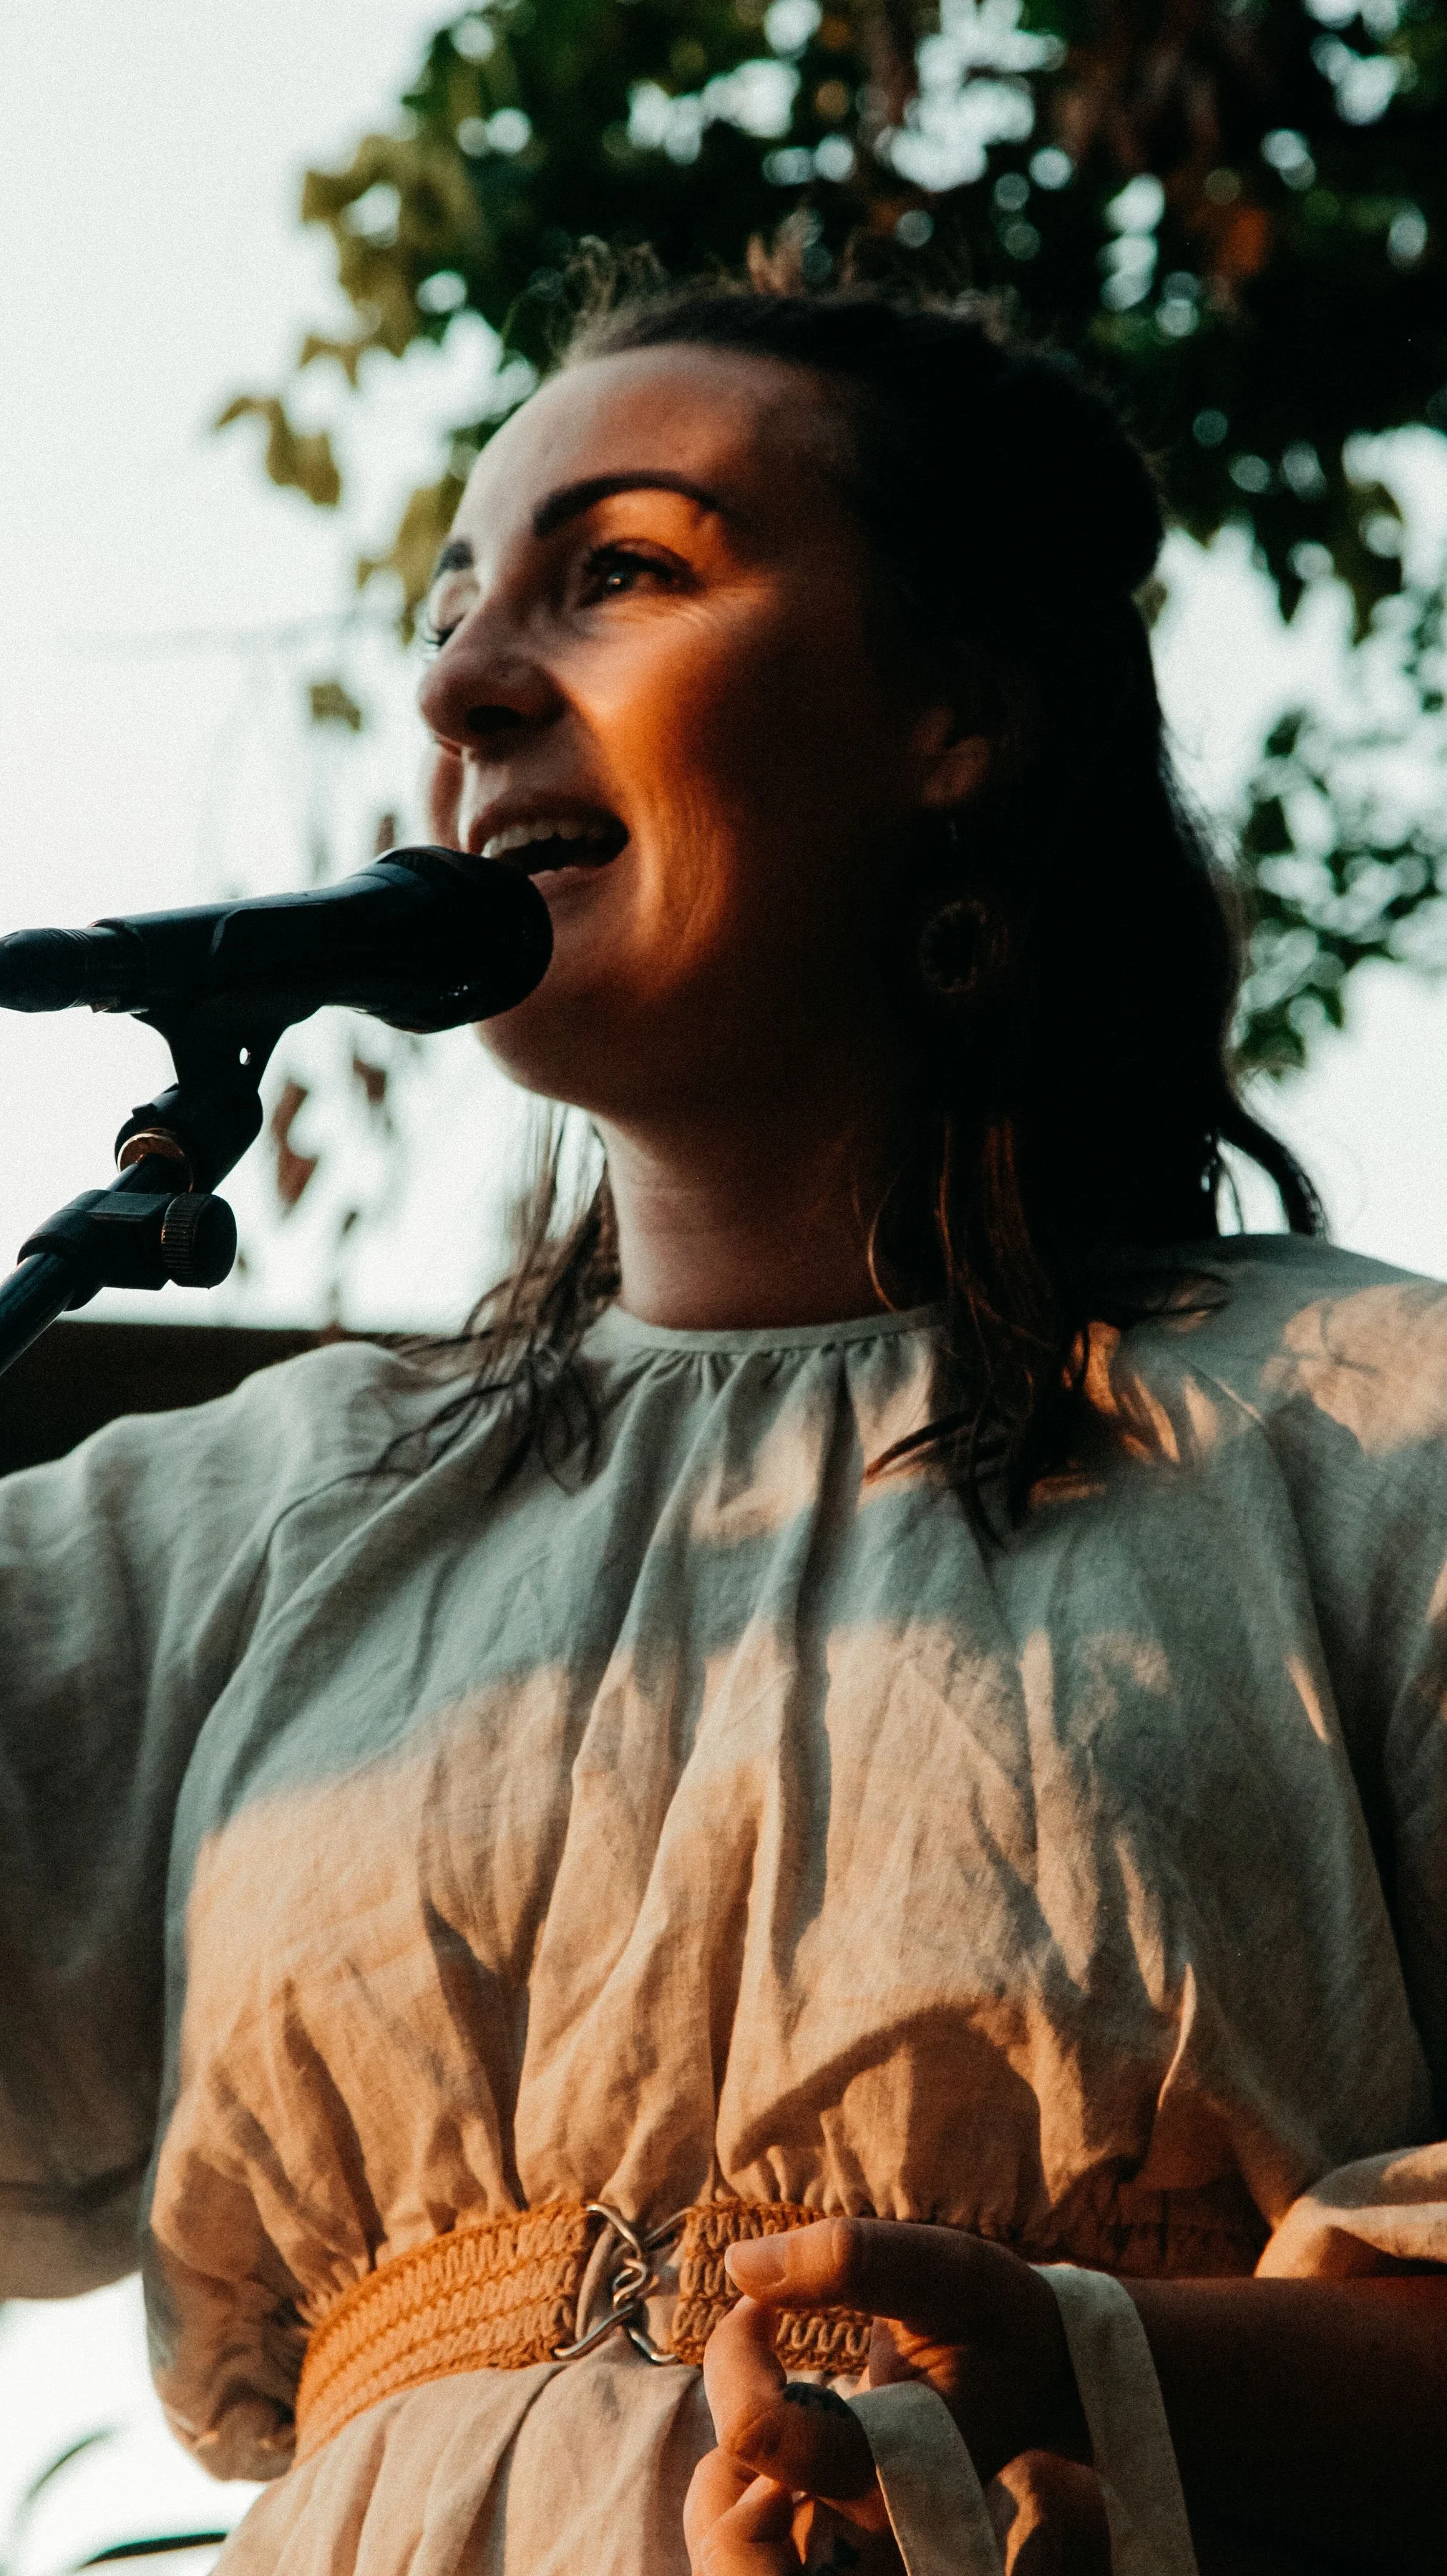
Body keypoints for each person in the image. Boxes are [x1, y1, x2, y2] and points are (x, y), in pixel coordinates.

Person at [3, 250, 1446, 2576]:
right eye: (458, 605)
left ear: (952, 718)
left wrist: (1088, 2381)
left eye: (621, 577)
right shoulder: (247, 1522)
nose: (465, 684)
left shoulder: (1375, 1440)